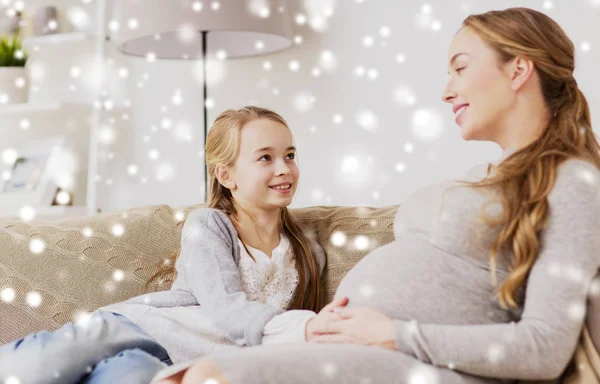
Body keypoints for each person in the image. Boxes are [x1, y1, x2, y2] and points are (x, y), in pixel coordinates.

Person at [154, 7, 600, 384]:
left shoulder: (572, 180)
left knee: (207, 376)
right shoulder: (484, 176)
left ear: (519, 69)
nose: (447, 91)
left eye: (460, 68)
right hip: (374, 349)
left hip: (422, 361)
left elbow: (545, 347)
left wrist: (393, 332)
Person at [0, 106, 331, 384]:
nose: (284, 169)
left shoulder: (306, 252)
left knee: (128, 377)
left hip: (177, 361)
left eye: (289, 155)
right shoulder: (209, 225)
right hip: (141, 328)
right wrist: (307, 327)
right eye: (265, 158)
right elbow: (225, 307)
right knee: (31, 368)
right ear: (226, 176)